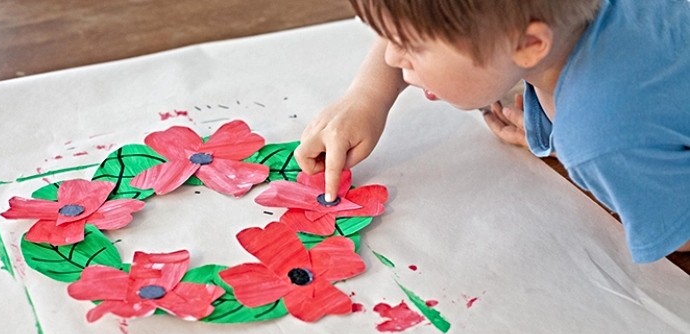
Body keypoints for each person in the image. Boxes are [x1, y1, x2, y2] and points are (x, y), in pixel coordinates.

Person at [294, 0, 690, 264]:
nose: (391, 56)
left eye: (411, 46)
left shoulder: (603, 141)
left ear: (529, 44)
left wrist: (592, 163)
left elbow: (680, 231)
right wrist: (368, 95)